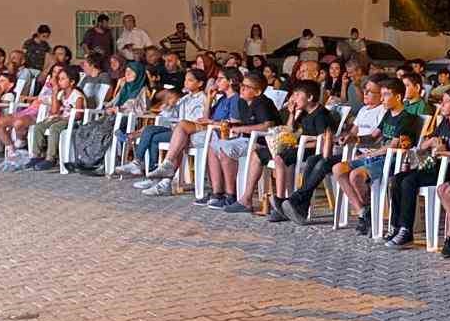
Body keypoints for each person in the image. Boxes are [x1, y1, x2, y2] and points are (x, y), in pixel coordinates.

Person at [381, 87, 450, 248]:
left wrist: (447, 153)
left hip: (449, 173)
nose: (441, 104)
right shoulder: (444, 124)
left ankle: (406, 230)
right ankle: (396, 225)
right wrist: (431, 142)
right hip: (432, 167)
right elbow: (422, 147)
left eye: (446, 101)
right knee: (397, 178)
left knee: (409, 182)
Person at [328, 78, 422, 235]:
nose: (382, 98)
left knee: (356, 176)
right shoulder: (388, 115)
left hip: (392, 160)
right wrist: (354, 138)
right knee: (338, 169)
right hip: (377, 156)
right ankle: (363, 212)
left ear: (398, 97)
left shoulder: (406, 118)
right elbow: (373, 137)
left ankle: (369, 211)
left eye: (385, 95)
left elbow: (392, 146)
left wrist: (370, 155)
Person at [203, 72, 282, 209]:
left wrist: (242, 129)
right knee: (213, 146)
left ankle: (231, 195)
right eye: (242, 85)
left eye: (246, 86)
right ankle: (218, 193)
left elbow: (267, 125)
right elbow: (240, 122)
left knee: (224, 149)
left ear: (257, 92)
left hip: (263, 143)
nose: (242, 88)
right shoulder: (242, 101)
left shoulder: (262, 102)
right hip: (246, 139)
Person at [265, 80, 341, 221]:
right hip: (301, 148)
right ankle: (287, 202)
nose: (294, 98)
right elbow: (290, 130)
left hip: (311, 151)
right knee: (278, 157)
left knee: (279, 158)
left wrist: (301, 146)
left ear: (310, 97)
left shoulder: (320, 115)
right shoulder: (306, 112)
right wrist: (293, 114)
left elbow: (324, 139)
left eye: (298, 95)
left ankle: (281, 200)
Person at [134, 69, 212, 196]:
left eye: (190, 80)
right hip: (177, 129)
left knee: (156, 138)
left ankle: (158, 176)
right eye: (186, 80)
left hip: (189, 132)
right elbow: (173, 115)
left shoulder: (203, 98)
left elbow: (198, 121)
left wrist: (179, 123)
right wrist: (168, 106)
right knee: (150, 131)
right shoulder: (185, 98)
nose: (186, 83)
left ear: (200, 83)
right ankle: (153, 174)